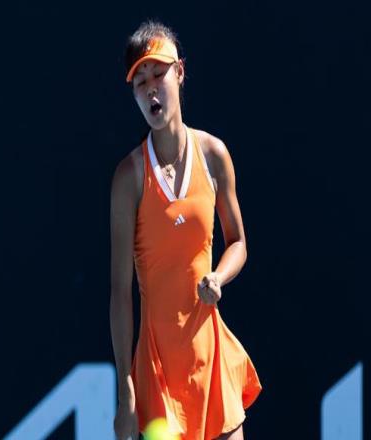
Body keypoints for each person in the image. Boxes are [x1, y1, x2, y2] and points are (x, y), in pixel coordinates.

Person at [109, 20, 263, 440]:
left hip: (211, 359)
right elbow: (120, 293)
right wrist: (125, 392)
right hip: (157, 372)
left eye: (158, 74)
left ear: (179, 73)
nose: (150, 89)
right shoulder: (129, 178)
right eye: (140, 82)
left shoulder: (214, 155)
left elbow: (238, 243)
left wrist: (219, 277)